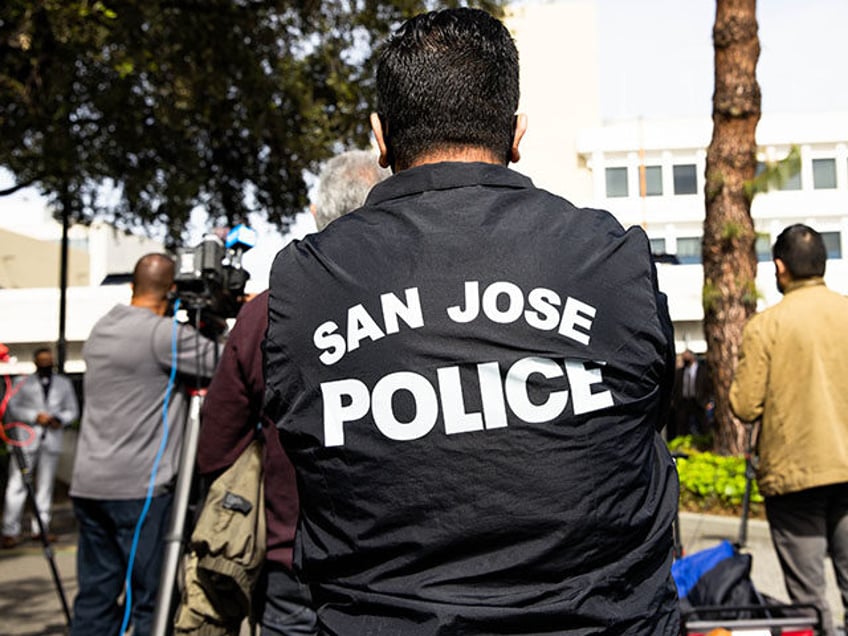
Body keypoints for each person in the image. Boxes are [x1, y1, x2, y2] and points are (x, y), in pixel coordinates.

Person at [264, 8, 679, 634]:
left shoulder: (305, 281)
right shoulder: (611, 256)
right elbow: (647, 417)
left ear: (380, 138)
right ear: (517, 134)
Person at [195, 149, 389, 635]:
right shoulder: (429, 293)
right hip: (402, 564)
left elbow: (217, 446)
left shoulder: (269, 309)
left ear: (315, 214)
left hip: (295, 558)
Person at [69, 253, 221, 636]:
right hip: (138, 490)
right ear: (171, 291)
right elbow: (224, 360)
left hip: (89, 484)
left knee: (96, 595)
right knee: (149, 602)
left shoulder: (102, 328)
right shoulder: (160, 335)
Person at [730, 224, 848, 636]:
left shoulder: (767, 326)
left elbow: (744, 406)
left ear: (780, 267)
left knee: (809, 601)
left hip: (795, 477)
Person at [2, 347, 79, 548]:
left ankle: (41, 528)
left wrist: (59, 419)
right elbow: (12, 408)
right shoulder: (22, 383)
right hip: (27, 440)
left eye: (48, 360)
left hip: (51, 438)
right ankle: (10, 530)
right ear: (35, 362)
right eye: (42, 360)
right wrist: (35, 416)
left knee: (45, 487)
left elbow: (72, 410)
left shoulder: (63, 384)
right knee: (17, 484)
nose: (45, 364)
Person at [668, 348, 713, 439]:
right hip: (683, 402)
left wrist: (708, 401)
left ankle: (706, 442)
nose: (685, 358)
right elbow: (675, 388)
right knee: (682, 426)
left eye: (687, 355)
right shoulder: (680, 372)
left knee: (703, 425)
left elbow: (708, 386)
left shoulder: (703, 371)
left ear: (693, 356)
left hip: (699, 401)